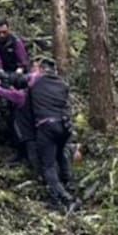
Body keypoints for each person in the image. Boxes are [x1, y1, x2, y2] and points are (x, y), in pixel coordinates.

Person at [26, 57, 77, 210]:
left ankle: (63, 198)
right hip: (64, 126)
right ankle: (69, 183)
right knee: (61, 154)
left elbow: (15, 78)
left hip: (46, 126)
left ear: (41, 69)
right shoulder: (63, 84)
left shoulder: (36, 80)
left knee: (48, 165)